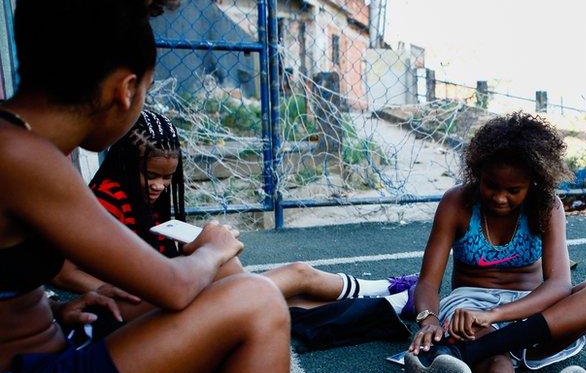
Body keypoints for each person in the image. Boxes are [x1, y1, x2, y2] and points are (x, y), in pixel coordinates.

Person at [0, 0, 293, 373]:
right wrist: (211, 246)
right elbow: (176, 288)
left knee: (215, 287)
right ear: (125, 89)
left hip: (39, 365)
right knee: (255, 299)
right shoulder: (21, 156)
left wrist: (57, 307)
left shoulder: (22, 144)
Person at [52, 109, 419, 326]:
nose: (160, 186)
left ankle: (387, 303)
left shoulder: (141, 200)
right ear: (125, 165)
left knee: (286, 299)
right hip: (140, 301)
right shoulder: (105, 200)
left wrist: (188, 249)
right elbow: (61, 269)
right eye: (152, 176)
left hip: (159, 288)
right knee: (293, 275)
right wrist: (100, 289)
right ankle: (385, 291)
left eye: (167, 178)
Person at [402, 113, 586, 373]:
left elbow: (559, 284)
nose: (499, 197)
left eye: (513, 190)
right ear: (476, 172)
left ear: (534, 181)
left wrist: (499, 316)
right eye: (490, 185)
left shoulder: (547, 207)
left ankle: (459, 353)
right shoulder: (457, 204)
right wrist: (429, 319)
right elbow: (428, 283)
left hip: (532, 315)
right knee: (496, 367)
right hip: (470, 306)